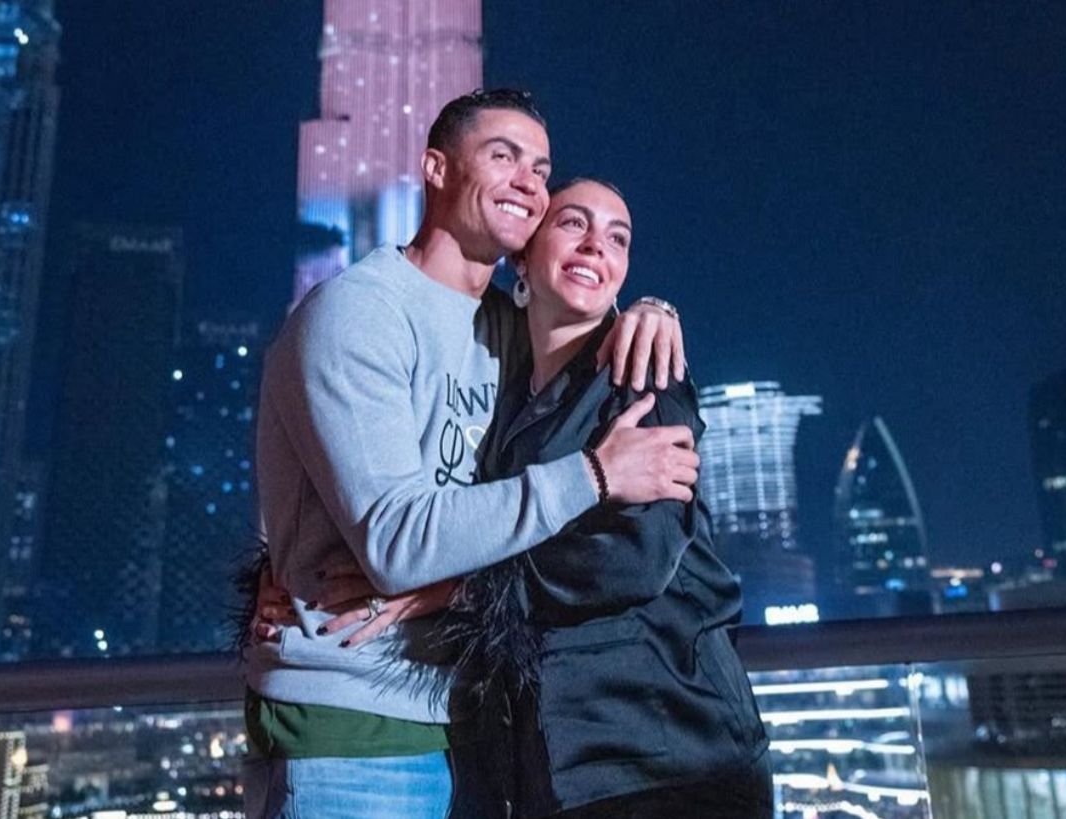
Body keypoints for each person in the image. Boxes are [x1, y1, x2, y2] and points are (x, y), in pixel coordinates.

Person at [240, 89, 699, 819]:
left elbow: (580, 309)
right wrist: (595, 474)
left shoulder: (509, 330)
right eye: (502, 156)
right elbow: (397, 543)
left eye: (539, 168)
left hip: (477, 727)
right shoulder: (358, 314)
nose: (528, 181)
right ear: (436, 168)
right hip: (351, 730)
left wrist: (652, 309)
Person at [285, 179, 772, 818]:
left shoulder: (640, 376)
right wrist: (296, 567)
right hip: (552, 773)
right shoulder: (501, 389)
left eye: (618, 238)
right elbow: (435, 499)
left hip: (671, 759)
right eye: (574, 224)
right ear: (523, 255)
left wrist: (451, 591)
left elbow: (631, 559)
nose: (596, 246)